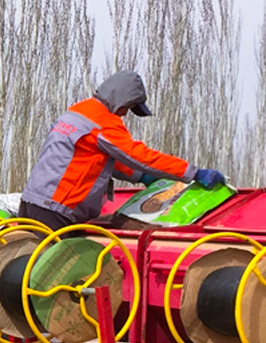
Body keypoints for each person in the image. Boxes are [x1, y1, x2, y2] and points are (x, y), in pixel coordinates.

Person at [19, 70, 228, 230]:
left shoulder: (78, 111)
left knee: (26, 271)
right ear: (121, 99)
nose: (126, 114)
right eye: (128, 107)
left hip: (31, 203)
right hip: (57, 212)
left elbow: (97, 158)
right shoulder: (103, 121)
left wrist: (140, 177)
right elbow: (137, 155)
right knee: (53, 281)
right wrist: (193, 173)